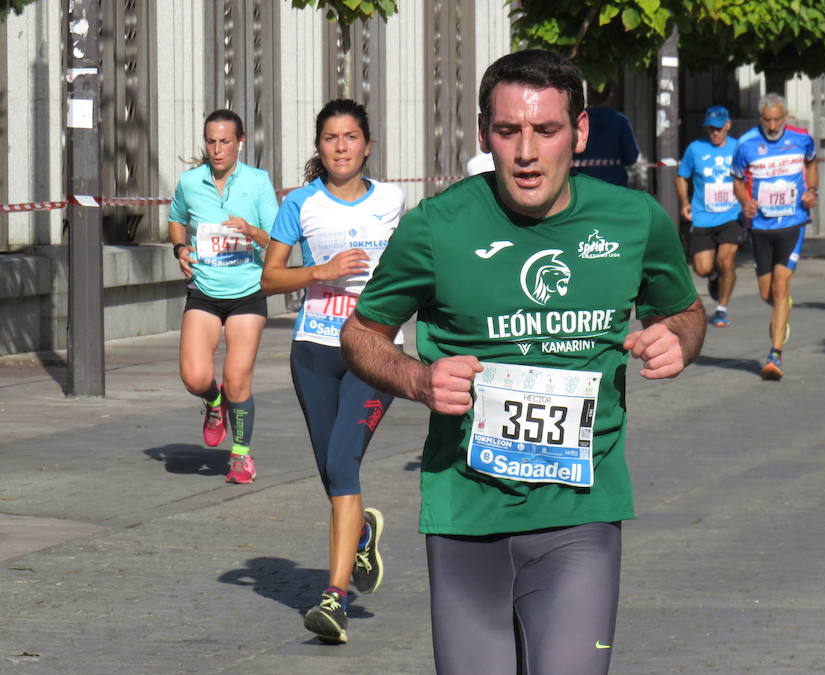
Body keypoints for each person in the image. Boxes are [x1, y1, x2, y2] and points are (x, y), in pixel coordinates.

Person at [340, 50, 705, 674]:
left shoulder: (634, 220)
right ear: (485, 134)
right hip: (465, 514)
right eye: (508, 132)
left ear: (580, 132)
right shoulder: (436, 226)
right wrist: (419, 379)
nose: (527, 152)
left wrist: (678, 339)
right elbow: (361, 334)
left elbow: (685, 314)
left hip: (580, 516)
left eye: (546, 130)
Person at [260, 99, 404, 645]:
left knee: (343, 465)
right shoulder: (300, 204)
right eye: (330, 138)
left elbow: (412, 264)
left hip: (373, 350)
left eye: (350, 137)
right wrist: (320, 271)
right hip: (314, 352)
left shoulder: (392, 199)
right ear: (318, 147)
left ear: (367, 145)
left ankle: (334, 598)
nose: (340, 146)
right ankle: (361, 529)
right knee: (331, 473)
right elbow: (269, 279)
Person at [168, 109, 278, 484]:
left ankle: (241, 456)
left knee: (237, 378)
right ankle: (214, 403)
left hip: (247, 291)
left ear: (240, 142)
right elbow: (176, 218)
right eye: (211, 141)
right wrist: (180, 250)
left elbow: (278, 239)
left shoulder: (258, 182)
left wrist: (250, 230)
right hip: (204, 289)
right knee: (195, 377)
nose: (217, 150)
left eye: (225, 142)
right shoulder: (189, 182)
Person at [732, 93, 817, 381]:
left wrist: (811, 191)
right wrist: (745, 201)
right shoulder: (745, 145)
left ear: (786, 117)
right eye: (767, 120)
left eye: (777, 119)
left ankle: (774, 354)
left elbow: (811, 163)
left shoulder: (802, 138)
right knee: (766, 292)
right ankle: (783, 308)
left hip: (793, 223)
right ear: (760, 119)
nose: (772, 125)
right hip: (761, 227)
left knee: (781, 287)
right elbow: (737, 180)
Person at [676, 105, 744, 326]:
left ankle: (722, 309)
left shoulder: (738, 148)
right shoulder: (695, 149)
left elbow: (748, 176)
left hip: (731, 215)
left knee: (727, 260)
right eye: (710, 129)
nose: (714, 133)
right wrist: (685, 202)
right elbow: (682, 176)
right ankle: (714, 276)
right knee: (702, 268)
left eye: (718, 128)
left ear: (727, 126)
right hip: (703, 216)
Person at [572, 83, 640, 186]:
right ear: (610, 96)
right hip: (614, 187)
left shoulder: (578, 121)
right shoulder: (620, 122)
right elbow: (631, 157)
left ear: (588, 95)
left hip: (582, 187)